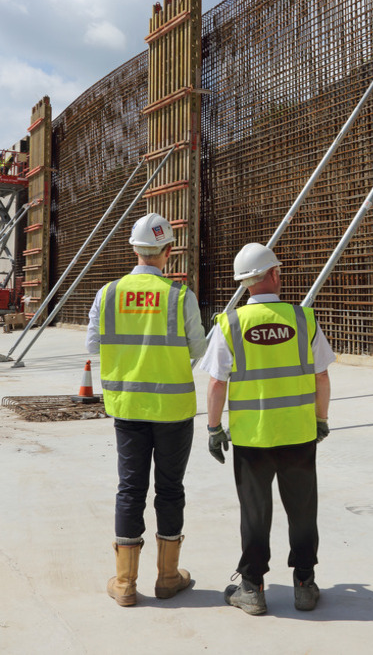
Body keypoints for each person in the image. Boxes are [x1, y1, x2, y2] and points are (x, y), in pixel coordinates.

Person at [200, 243, 334, 616]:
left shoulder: (230, 324)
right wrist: (321, 418)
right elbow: (321, 376)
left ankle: (252, 588)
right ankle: (304, 584)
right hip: (298, 434)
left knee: (255, 513)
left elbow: (216, 383)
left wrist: (214, 428)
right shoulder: (303, 319)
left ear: (244, 283)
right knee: (303, 510)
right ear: (274, 274)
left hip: (251, 438)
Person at [86, 212, 207, 607]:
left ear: (135, 250)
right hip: (173, 410)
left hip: (127, 408)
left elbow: (93, 344)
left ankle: (125, 583)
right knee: (170, 489)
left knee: (130, 488)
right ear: (168, 251)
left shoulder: (107, 294)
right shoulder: (180, 296)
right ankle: (168, 578)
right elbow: (199, 348)